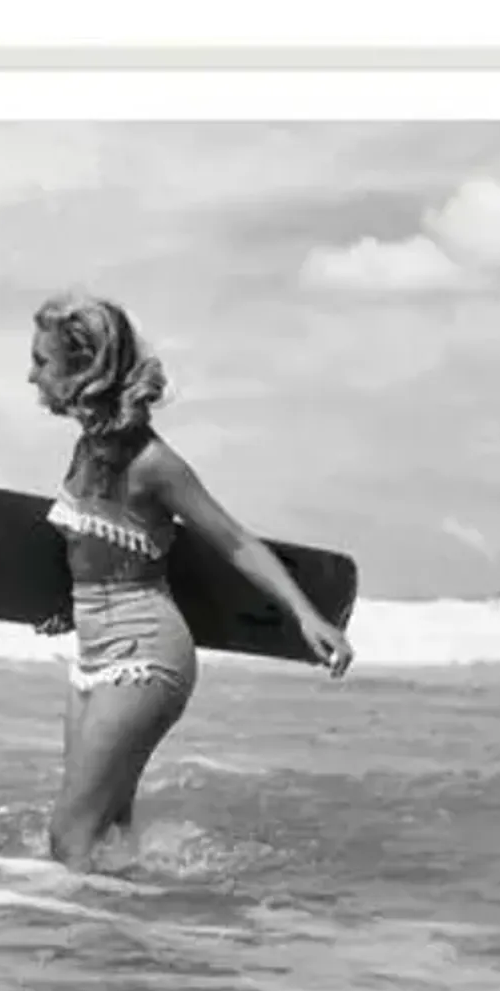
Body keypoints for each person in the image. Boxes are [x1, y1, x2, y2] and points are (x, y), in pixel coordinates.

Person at [24, 292, 355, 871]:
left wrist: (306, 614)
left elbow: (233, 540)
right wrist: (62, 606)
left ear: (84, 369)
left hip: (146, 656)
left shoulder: (152, 463)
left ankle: (67, 946)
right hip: (94, 652)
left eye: (42, 362)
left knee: (67, 836)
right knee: (105, 836)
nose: (32, 375)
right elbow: (91, 556)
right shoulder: (85, 449)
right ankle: (127, 948)